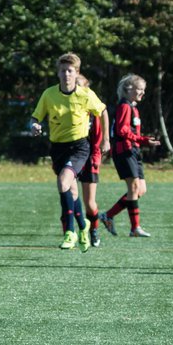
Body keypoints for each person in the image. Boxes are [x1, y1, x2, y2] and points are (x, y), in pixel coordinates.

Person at [28, 53, 106, 251]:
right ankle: (83, 226)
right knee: (71, 190)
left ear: (76, 72)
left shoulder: (85, 95)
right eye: (63, 71)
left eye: (70, 71)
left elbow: (103, 111)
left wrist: (106, 140)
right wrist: (35, 126)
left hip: (80, 147)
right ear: (58, 73)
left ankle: (69, 232)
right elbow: (35, 117)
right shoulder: (49, 94)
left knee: (63, 181)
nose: (66, 74)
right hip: (58, 148)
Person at [99, 74, 160, 238]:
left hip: (133, 151)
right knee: (133, 188)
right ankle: (135, 228)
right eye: (139, 89)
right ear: (128, 89)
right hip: (124, 151)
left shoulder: (133, 108)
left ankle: (108, 215)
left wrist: (142, 141)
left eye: (143, 90)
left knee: (140, 189)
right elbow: (122, 130)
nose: (142, 93)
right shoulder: (124, 106)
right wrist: (143, 140)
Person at [72, 74, 110, 247]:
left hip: (89, 158)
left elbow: (98, 137)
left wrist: (96, 156)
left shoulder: (94, 110)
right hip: (72, 156)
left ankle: (93, 229)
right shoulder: (69, 106)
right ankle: (72, 232)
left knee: (89, 203)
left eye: (80, 86)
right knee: (70, 197)